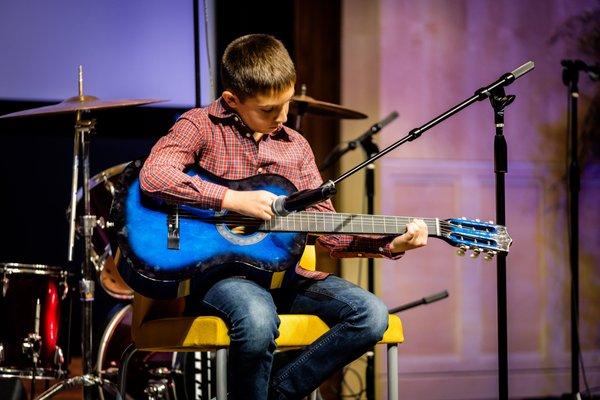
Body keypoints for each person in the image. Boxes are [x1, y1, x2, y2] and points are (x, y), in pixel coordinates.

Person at [139, 33, 428, 400]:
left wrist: (392, 243)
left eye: (287, 104)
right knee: (258, 321)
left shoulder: (296, 147)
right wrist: (231, 199)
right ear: (232, 100)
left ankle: (275, 392)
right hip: (220, 277)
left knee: (371, 314)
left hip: (285, 278)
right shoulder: (200, 126)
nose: (282, 117)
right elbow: (154, 175)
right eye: (268, 109)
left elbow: (330, 231)